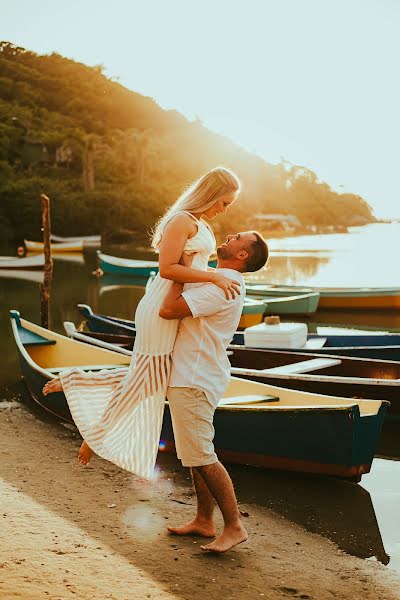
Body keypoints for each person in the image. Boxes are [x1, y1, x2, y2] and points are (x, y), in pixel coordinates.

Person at [42, 166, 241, 478]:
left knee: (150, 377)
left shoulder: (202, 226)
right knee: (146, 379)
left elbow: (193, 270)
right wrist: (213, 277)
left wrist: (212, 287)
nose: (223, 209)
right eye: (224, 202)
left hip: (174, 306)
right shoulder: (180, 221)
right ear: (212, 194)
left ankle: (75, 380)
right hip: (159, 307)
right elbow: (167, 269)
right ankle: (95, 436)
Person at [159, 230, 269, 553]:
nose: (230, 236)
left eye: (237, 238)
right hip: (195, 373)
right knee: (195, 454)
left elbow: (169, 309)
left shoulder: (223, 286)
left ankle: (234, 525)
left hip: (194, 377)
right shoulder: (217, 278)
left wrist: (178, 270)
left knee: (203, 456)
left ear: (243, 255)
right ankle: (204, 520)